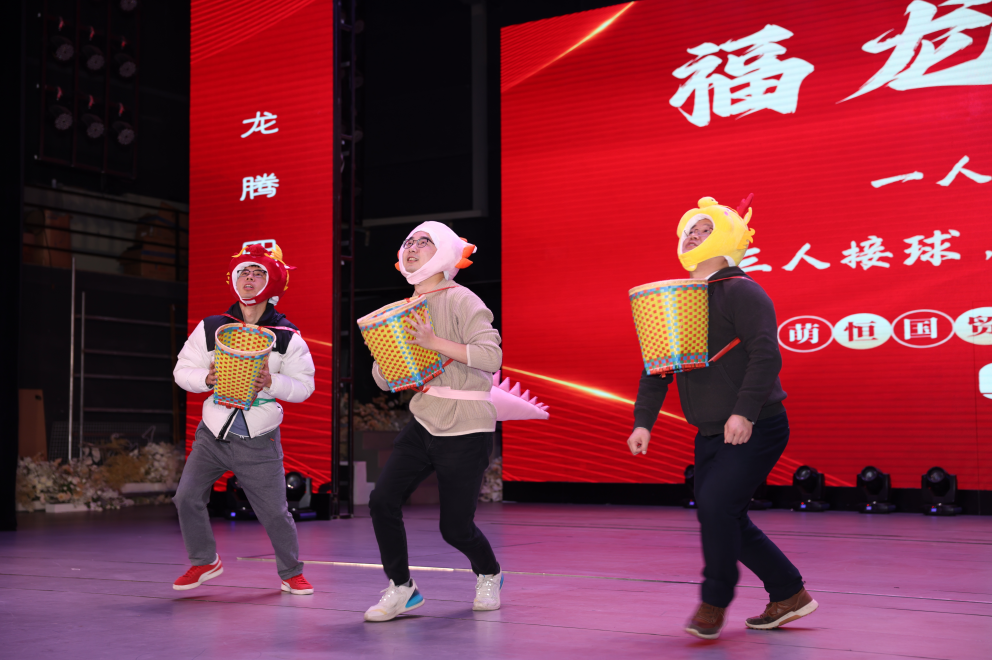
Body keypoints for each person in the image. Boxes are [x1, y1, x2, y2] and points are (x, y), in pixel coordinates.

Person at [627, 196, 817, 640]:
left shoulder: (741, 290)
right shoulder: (679, 298)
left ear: (729, 238)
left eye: (705, 229)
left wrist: (744, 412)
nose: (693, 235)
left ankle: (714, 601)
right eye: (689, 230)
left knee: (716, 507)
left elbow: (766, 356)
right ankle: (789, 593)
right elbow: (657, 365)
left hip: (757, 425)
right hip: (711, 431)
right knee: (723, 515)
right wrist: (643, 421)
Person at [362, 221, 504, 622]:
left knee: (455, 528)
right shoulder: (400, 311)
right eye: (408, 241)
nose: (411, 247)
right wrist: (386, 362)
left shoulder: (463, 300)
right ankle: (402, 588)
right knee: (382, 500)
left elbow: (492, 358)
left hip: (468, 426)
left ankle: (489, 573)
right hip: (424, 420)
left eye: (423, 241)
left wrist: (433, 342)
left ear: (443, 252)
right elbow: (383, 379)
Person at [172, 243, 316, 596]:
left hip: (259, 437)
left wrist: (272, 382)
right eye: (243, 272)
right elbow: (182, 370)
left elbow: (305, 386)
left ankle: (291, 571)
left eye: (258, 273)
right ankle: (205, 560)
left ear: (273, 282)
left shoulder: (287, 335)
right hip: (212, 433)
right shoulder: (212, 327)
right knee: (186, 497)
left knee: (274, 512)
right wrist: (205, 378)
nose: (248, 279)